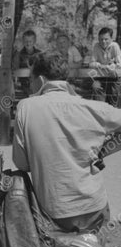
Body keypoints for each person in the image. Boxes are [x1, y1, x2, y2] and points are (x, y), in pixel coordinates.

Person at [12, 53, 121, 235]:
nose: (29, 85)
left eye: (30, 79)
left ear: (40, 80)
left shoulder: (25, 108)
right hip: (93, 208)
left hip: (52, 211)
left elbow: (21, 164)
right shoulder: (94, 108)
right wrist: (103, 150)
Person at [89, 27, 121, 106]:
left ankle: (113, 109)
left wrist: (113, 66)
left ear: (111, 39)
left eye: (106, 39)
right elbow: (91, 63)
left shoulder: (115, 46)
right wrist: (100, 65)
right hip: (100, 76)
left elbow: (120, 64)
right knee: (95, 87)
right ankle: (101, 108)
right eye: (101, 39)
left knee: (114, 91)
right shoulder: (96, 46)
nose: (103, 41)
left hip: (114, 76)